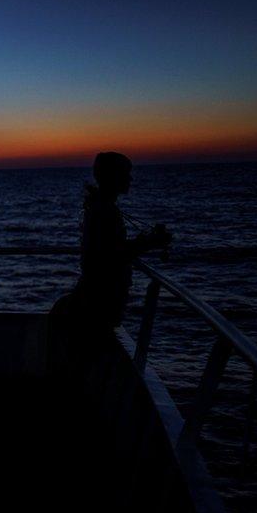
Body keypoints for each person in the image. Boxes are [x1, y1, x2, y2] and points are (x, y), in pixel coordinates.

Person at [48, 152, 172, 387]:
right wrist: (150, 243)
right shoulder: (105, 212)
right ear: (113, 177)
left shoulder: (99, 208)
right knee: (87, 370)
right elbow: (111, 256)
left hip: (93, 300)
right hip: (97, 305)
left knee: (83, 369)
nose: (130, 179)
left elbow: (107, 251)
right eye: (126, 174)